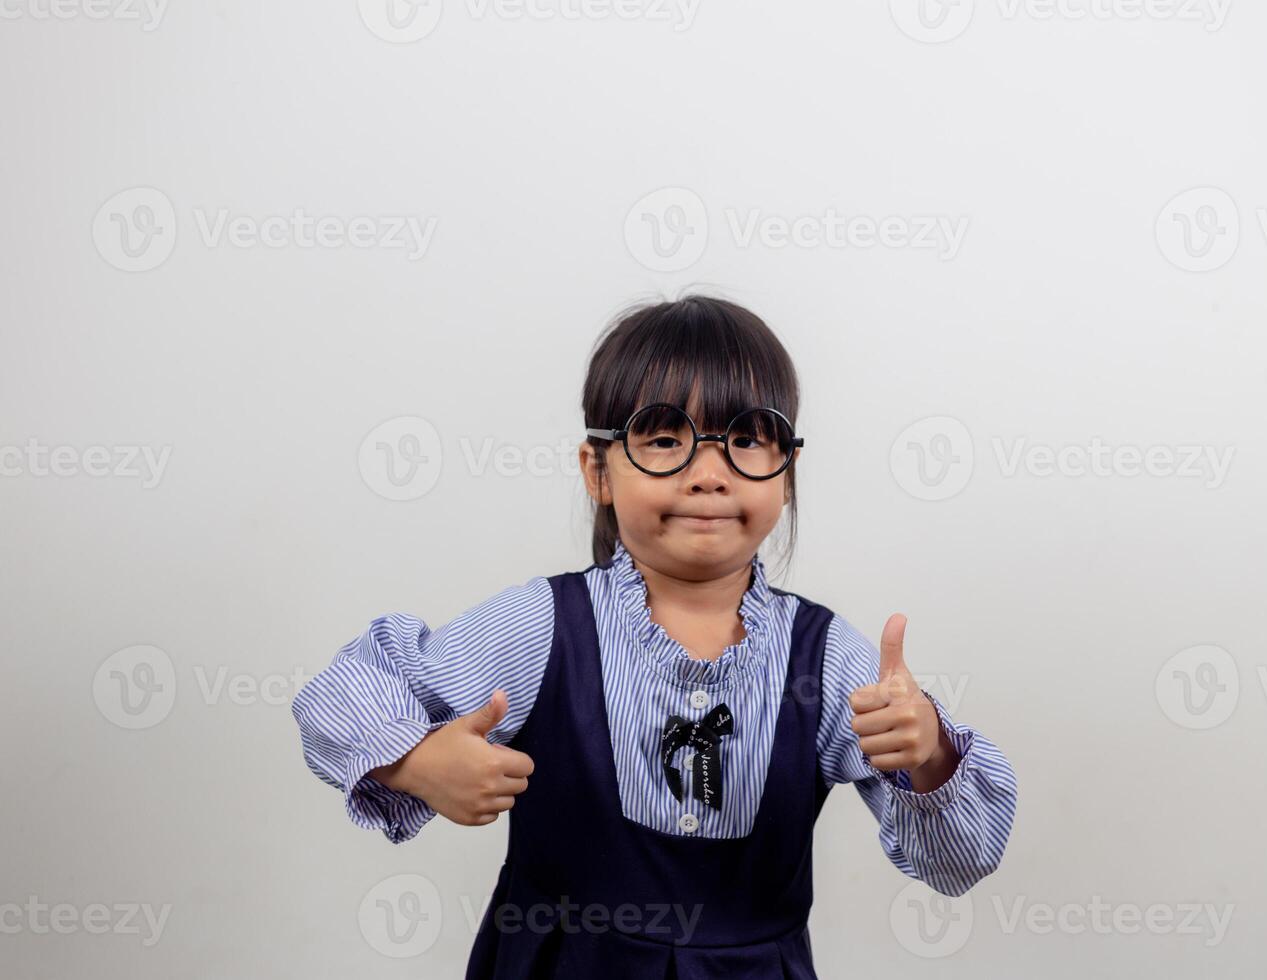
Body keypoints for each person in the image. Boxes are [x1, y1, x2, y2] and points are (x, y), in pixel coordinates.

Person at [290, 294, 1019, 978]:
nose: (708, 474)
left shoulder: (829, 661)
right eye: (666, 438)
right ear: (598, 470)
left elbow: (959, 861)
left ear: (788, 474)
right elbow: (345, 690)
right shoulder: (545, 628)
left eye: (746, 440)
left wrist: (929, 755)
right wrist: (415, 761)